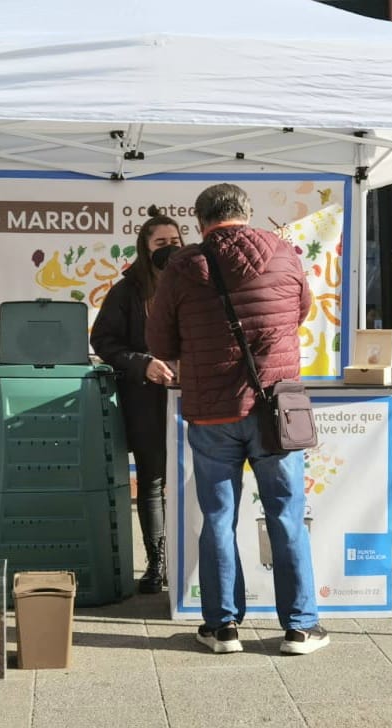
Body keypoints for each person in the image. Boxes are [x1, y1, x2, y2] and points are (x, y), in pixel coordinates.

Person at [147, 183, 329, 656]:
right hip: (274, 407)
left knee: (219, 518)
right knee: (287, 516)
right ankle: (301, 629)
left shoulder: (182, 266)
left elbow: (160, 342)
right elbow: (302, 310)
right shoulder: (285, 253)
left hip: (213, 412)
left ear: (201, 221)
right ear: (246, 214)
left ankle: (222, 628)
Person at [90, 211, 184, 594]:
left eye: (175, 242)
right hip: (145, 400)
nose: (169, 250)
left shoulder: (198, 282)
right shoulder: (127, 290)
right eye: (160, 243)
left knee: (195, 479)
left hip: (193, 398)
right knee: (152, 480)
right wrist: (142, 364)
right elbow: (105, 342)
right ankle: (156, 561)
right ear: (145, 248)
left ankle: (189, 558)